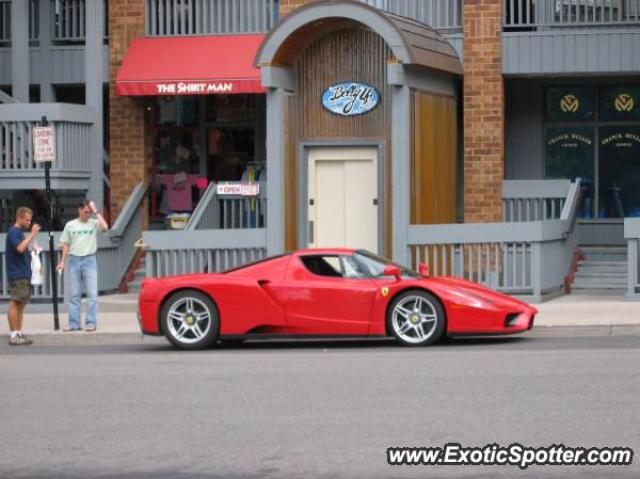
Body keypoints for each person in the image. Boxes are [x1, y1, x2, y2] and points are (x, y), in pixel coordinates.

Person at [56, 201, 109, 332]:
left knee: (92, 294)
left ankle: (91, 322)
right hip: (74, 260)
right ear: (79, 210)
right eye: (86, 212)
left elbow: (105, 227)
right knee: (74, 294)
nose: (87, 214)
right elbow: (65, 244)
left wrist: (96, 211)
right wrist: (62, 261)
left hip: (89, 259)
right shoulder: (70, 225)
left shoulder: (94, 223)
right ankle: (74, 324)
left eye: (89, 212)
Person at [5, 207, 41, 345]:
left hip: (24, 273)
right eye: (27, 219)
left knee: (21, 304)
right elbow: (19, 248)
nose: (29, 222)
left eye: (30, 220)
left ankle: (18, 332)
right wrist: (32, 235)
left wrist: (32, 249)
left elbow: (23, 248)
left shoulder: (19, 233)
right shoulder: (13, 232)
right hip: (17, 274)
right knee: (16, 302)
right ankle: (14, 334)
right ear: (19, 218)